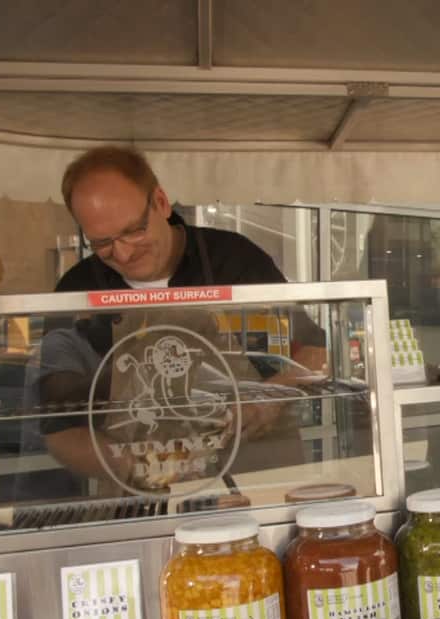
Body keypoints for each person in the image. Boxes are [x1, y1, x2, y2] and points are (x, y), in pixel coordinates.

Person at [36, 145, 326, 491]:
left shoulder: (235, 261)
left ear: (160, 201)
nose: (124, 253)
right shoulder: (77, 292)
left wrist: (271, 398)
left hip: (260, 482)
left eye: (133, 231)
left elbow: (317, 354)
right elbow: (59, 430)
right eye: (103, 243)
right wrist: (135, 466)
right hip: (140, 497)